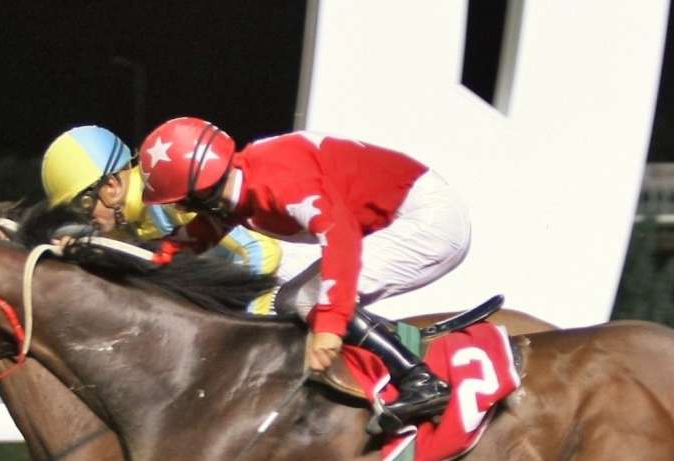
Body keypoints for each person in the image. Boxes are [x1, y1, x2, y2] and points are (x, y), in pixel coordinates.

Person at [135, 117, 471, 427]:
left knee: (311, 300)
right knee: (288, 301)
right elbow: (211, 225)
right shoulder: (242, 180)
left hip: (429, 221)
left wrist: (330, 326)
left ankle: (420, 380)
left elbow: (341, 239)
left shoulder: (280, 182)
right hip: (398, 217)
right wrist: (159, 256)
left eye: (184, 201)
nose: (180, 208)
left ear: (202, 189)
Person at [40, 125, 311, 316]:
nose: (85, 218)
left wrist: (246, 323)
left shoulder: (166, 195)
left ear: (111, 186)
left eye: (83, 205)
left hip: (292, 269)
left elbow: (261, 251)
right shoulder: (125, 221)